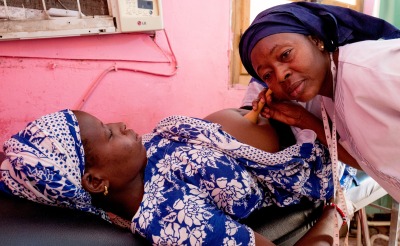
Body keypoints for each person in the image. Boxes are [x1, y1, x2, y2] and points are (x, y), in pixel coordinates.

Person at [0, 108, 351, 245]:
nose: (121, 123)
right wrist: (334, 214)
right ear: (94, 181)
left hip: (284, 115)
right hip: (308, 154)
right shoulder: (173, 219)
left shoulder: (139, 160)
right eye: (109, 133)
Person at [239, 2, 400, 202]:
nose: (280, 75)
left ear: (316, 40)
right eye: (267, 75)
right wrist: (302, 119)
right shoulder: (328, 96)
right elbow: (366, 163)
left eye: (285, 54)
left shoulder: (376, 67)